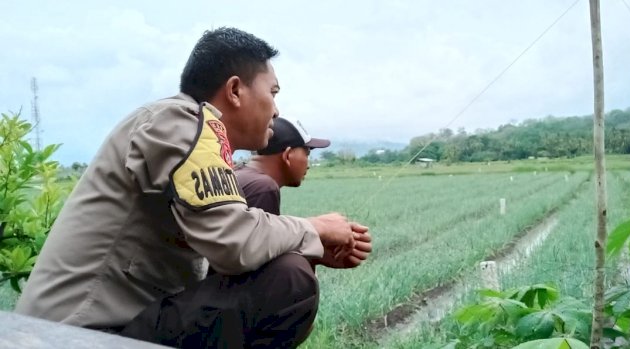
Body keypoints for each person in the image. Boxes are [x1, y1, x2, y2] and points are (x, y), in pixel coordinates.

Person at [14, 27, 371, 349]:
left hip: (105, 328)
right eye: (273, 92)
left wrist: (311, 246)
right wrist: (314, 228)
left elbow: (228, 241)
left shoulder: (196, 135)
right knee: (288, 280)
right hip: (79, 335)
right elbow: (235, 240)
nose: (276, 110)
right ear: (234, 90)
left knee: (284, 262)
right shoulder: (182, 122)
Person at [235, 117, 371, 269]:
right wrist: (319, 231)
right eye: (307, 153)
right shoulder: (263, 187)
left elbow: (261, 247)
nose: (309, 164)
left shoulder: (242, 174)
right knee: (296, 274)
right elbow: (257, 262)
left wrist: (320, 250)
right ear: (287, 155)